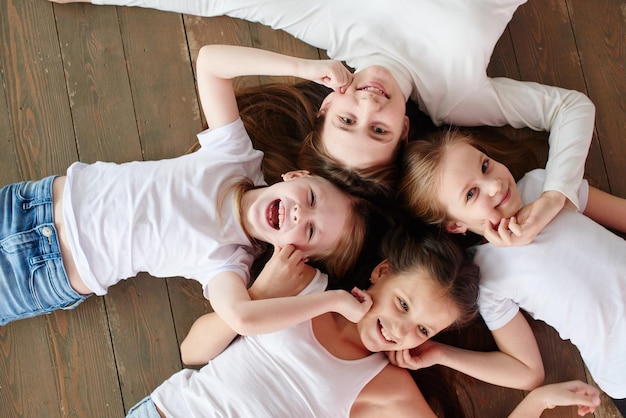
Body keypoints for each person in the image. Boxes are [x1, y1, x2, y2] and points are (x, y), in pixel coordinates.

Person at [49, 0, 596, 245]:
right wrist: (556, 195)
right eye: (378, 129)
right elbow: (569, 108)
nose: (371, 106)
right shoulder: (460, 98)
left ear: (328, 104)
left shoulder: (331, 20)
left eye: (350, 119)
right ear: (405, 129)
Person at [0, 44, 372, 333]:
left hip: (44, 273)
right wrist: (305, 68)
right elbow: (210, 61)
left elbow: (242, 318)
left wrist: (333, 301)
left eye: (308, 229)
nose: (297, 213)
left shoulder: (228, 260)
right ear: (296, 176)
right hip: (32, 204)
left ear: (295, 253)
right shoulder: (236, 158)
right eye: (309, 199)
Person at [124, 218, 482, 418]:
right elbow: (193, 351)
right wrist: (259, 297)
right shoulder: (306, 285)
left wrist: (442, 354)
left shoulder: (387, 388)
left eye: (423, 328)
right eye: (403, 304)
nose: (402, 330)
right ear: (382, 272)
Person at [394, 128, 626, 415]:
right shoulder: (485, 275)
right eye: (470, 193)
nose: (493, 185)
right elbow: (528, 372)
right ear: (455, 225)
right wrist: (442, 353)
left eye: (484, 165)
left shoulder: (544, 186)